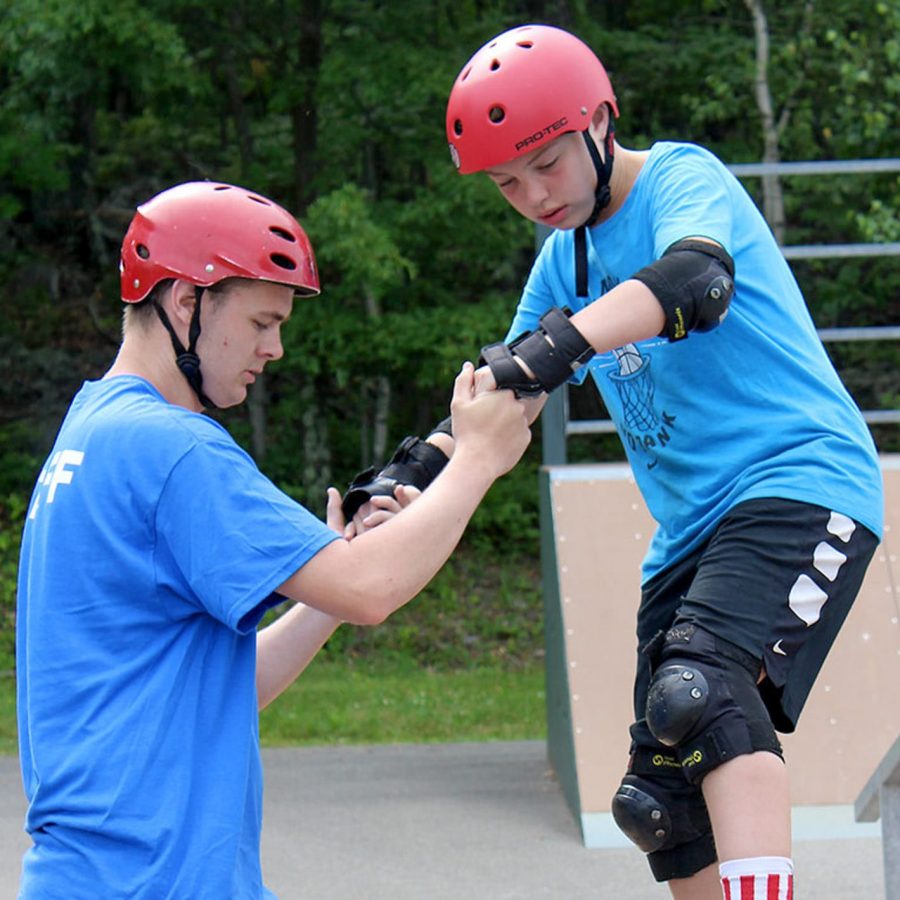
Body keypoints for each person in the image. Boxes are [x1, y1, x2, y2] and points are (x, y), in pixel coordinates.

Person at [342, 24, 884, 900]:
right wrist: (412, 478)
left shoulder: (681, 177)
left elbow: (694, 283)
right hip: (687, 537)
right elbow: (503, 391)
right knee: (659, 796)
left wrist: (558, 346)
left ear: (600, 122)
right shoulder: (566, 261)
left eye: (546, 164)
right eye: (507, 185)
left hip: (798, 480)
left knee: (699, 687)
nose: (533, 196)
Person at [15, 180, 531, 898]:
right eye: (261, 321)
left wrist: (315, 590)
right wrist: (479, 459)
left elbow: (216, 686)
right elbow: (371, 589)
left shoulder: (92, 431)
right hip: (158, 880)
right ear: (187, 302)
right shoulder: (174, 449)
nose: (277, 347)